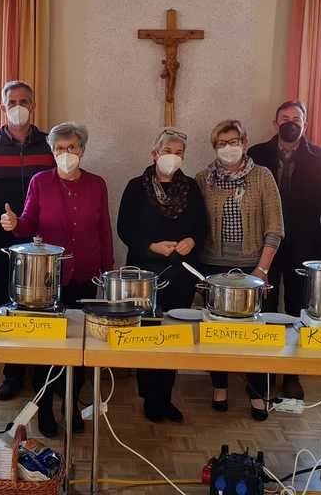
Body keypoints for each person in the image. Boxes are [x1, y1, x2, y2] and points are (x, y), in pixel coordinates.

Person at [1, 122, 114, 437]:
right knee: (47, 346)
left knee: (79, 345)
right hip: (47, 279)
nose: (66, 153)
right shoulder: (40, 182)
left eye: (72, 147)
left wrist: (107, 270)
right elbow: (27, 225)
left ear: (82, 150)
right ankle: (45, 408)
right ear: (52, 151)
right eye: (59, 148)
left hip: (87, 275)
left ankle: (72, 404)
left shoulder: (97, 184)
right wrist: (14, 223)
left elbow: (104, 229)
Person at [248, 101, 321, 401]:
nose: (291, 123)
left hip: (305, 247)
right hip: (266, 246)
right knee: (264, 307)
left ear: (305, 124)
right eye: (284, 118)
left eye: (296, 118)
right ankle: (264, 372)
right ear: (275, 123)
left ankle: (291, 374)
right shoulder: (257, 154)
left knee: (298, 309)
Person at [0, 81, 55, 402]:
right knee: (9, 308)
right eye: (12, 102)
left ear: (33, 106)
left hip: (43, 245)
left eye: (24, 101)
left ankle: (44, 375)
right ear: (3, 108)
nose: (18, 107)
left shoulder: (50, 144)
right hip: (1, 244)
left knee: (43, 308)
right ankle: (13, 373)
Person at [117, 127, 205, 423]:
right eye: (167, 151)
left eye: (179, 153)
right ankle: (150, 398)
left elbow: (201, 227)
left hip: (181, 273)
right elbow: (124, 228)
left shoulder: (191, 188)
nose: (173, 157)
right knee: (148, 333)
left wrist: (191, 240)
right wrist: (152, 246)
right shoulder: (135, 186)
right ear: (154, 153)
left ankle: (165, 397)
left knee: (172, 334)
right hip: (144, 273)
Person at [197, 119, 283, 420]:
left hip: (253, 267)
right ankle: (219, 387)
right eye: (222, 143)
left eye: (234, 142)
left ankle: (258, 393)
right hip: (214, 265)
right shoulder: (203, 179)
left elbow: (275, 228)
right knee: (217, 331)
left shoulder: (262, 176)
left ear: (245, 144)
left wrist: (262, 269)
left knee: (256, 334)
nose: (228, 148)